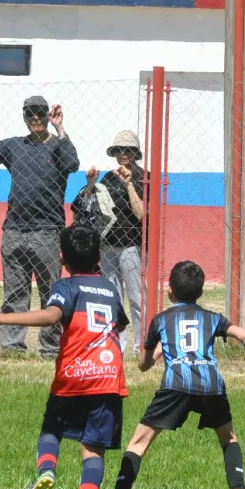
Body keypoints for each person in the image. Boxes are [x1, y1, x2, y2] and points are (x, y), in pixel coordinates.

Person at [103, 260, 245, 489]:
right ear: (200, 293)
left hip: (176, 385)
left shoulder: (161, 320)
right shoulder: (212, 318)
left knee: (138, 443)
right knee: (228, 437)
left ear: (169, 292)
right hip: (211, 385)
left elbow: (143, 365)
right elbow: (243, 335)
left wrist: (156, 353)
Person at [0, 225, 127, 489]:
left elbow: (51, 316)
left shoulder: (65, 287)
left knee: (51, 431)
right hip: (108, 377)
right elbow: (120, 325)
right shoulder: (111, 289)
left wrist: (1, 316)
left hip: (73, 376)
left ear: (63, 259)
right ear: (99, 256)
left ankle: (47, 470)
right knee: (93, 448)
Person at [0, 95, 80, 357]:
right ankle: (12, 348)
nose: (36, 119)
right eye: (30, 114)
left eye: (41, 113)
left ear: (48, 115)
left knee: (51, 293)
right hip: (15, 230)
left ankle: (51, 349)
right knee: (15, 293)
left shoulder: (57, 147)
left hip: (48, 230)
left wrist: (60, 129)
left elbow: (73, 164)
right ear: (24, 117)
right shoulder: (14, 146)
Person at [96, 130, 146, 354]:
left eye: (127, 150)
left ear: (135, 152)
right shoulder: (107, 177)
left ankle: (140, 344)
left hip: (130, 245)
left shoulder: (144, 177)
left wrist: (128, 184)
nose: (123, 154)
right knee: (112, 298)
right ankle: (118, 344)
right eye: (118, 150)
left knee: (136, 297)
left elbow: (141, 213)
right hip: (107, 244)